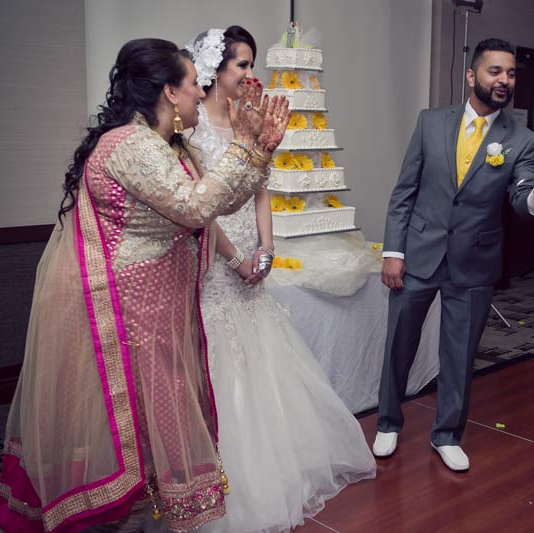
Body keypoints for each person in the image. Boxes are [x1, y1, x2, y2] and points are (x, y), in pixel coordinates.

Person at [0, 38, 289, 532]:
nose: (201, 93)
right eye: (194, 83)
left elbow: (220, 203)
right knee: (124, 438)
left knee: (153, 438)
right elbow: (193, 207)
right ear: (171, 92)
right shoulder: (127, 146)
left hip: (160, 313)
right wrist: (241, 145)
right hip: (128, 318)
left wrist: (258, 150)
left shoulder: (169, 145)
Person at [184, 27, 376, 533]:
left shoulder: (249, 119)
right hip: (214, 260)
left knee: (264, 358)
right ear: (213, 69)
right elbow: (200, 206)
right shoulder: (190, 125)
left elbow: (262, 187)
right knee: (222, 364)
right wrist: (234, 260)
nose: (251, 75)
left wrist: (266, 250)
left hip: (252, 254)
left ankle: (278, 467)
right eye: (241, 64)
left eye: (252, 64)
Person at [375, 38, 534, 471]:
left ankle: (447, 434)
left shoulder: (523, 139)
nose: (504, 80)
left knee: (459, 353)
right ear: (471, 76)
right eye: (495, 71)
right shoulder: (431, 122)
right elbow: (404, 192)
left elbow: (523, 205)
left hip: (475, 262)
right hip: (420, 253)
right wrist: (393, 251)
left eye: (511, 73)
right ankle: (388, 422)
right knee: (398, 343)